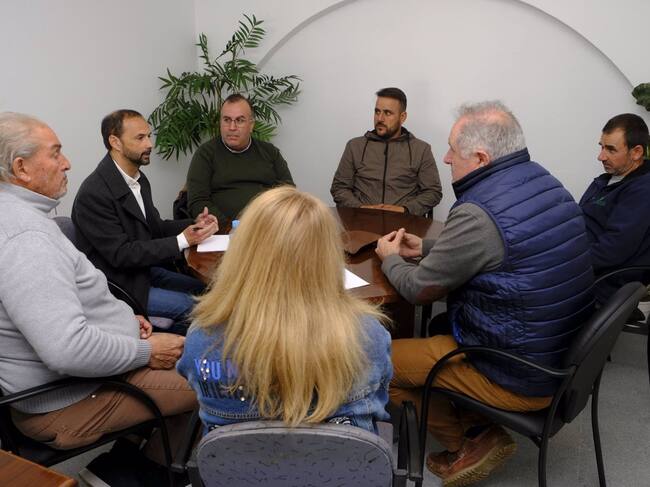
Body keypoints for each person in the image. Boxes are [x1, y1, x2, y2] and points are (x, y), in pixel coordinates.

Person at [375, 101, 594, 486]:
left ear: (480, 158)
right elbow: (504, 245)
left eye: (452, 150)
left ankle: (467, 445)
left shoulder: (479, 211)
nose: (446, 158)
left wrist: (390, 258)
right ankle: (476, 424)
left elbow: (418, 290)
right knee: (440, 326)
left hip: (518, 371)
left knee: (377, 362)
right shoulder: (542, 181)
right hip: (556, 352)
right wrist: (426, 248)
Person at [0, 112, 196, 485]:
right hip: (68, 401)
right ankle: (143, 475)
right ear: (21, 168)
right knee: (212, 381)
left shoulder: (19, 219)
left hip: (86, 380)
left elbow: (57, 309)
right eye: (55, 153)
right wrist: (146, 351)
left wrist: (124, 324)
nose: (67, 163)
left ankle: (114, 470)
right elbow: (66, 350)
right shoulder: (27, 239)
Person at [177, 186, 392, 434]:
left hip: (236, 460)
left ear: (242, 251)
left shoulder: (201, 338)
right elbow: (380, 404)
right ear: (328, 255)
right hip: (343, 459)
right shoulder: (369, 336)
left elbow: (197, 389)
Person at [72, 109, 218, 332]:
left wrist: (194, 224)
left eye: (149, 136)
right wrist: (183, 240)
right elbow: (122, 254)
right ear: (115, 142)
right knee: (202, 307)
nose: (150, 144)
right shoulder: (94, 194)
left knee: (211, 292)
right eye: (140, 138)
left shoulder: (138, 179)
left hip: (143, 272)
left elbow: (154, 227)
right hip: (119, 287)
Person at [330, 87, 442, 215]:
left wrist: (404, 210)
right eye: (377, 112)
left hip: (403, 222)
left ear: (402, 117)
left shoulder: (421, 150)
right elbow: (339, 188)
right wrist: (361, 208)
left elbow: (433, 192)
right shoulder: (355, 146)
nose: (380, 118)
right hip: (361, 220)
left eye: (387, 113)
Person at [186, 94, 294, 221]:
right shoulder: (205, 154)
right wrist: (229, 226)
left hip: (266, 225)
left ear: (251, 125)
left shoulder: (270, 152)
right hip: (222, 229)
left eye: (240, 120)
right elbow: (197, 202)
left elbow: (289, 193)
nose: (232, 127)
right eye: (227, 120)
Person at [579, 113, 650, 305]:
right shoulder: (606, 180)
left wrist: (565, 262)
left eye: (611, 149)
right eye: (601, 147)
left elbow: (612, 250)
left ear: (636, 152)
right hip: (580, 266)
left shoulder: (643, 190)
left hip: (600, 284)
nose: (601, 156)